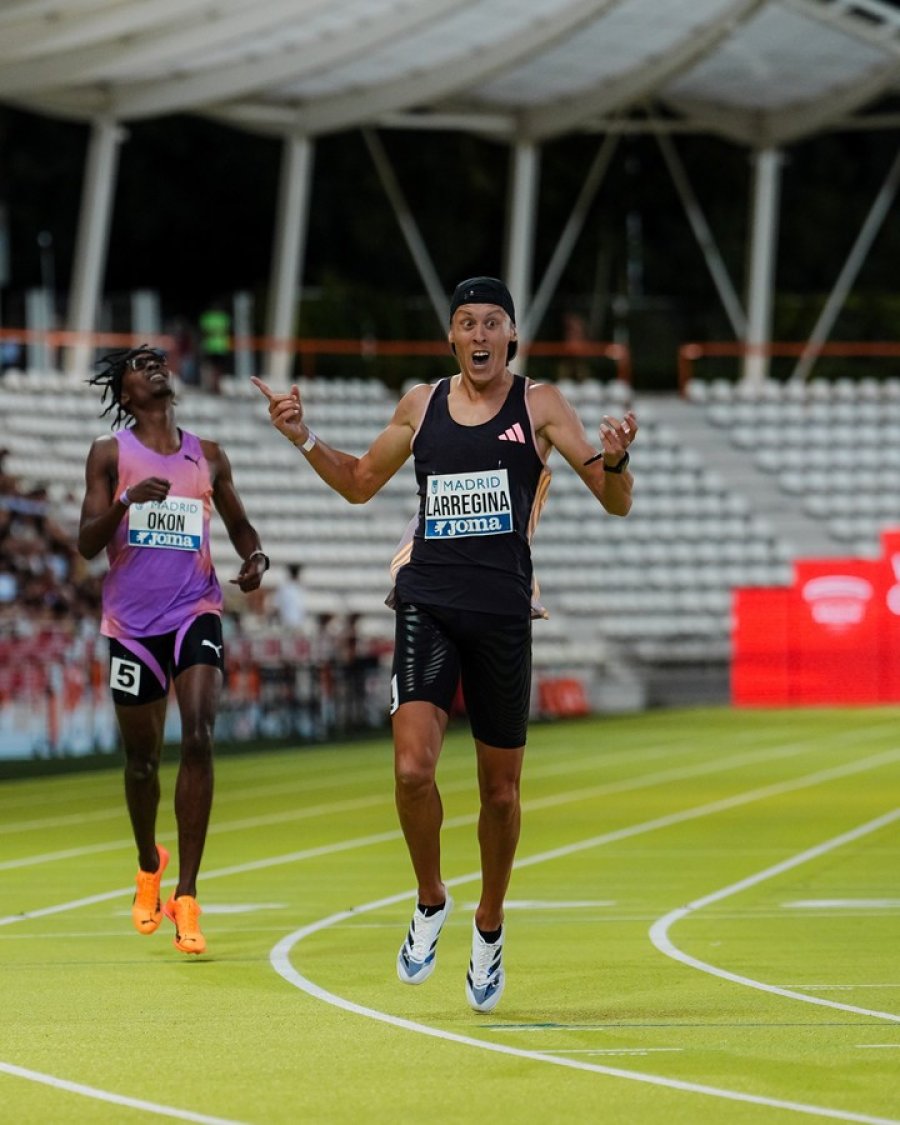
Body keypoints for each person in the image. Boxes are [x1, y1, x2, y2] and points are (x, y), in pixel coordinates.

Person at [252, 276, 637, 1011]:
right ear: (452, 338)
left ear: (512, 337)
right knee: (409, 769)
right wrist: (300, 434)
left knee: (500, 792)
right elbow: (361, 483)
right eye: (467, 323)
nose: (481, 334)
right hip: (427, 601)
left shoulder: (542, 405)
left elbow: (614, 501)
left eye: (494, 321)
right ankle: (432, 899)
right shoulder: (421, 405)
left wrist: (615, 461)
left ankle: (489, 920)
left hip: (500, 614)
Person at [78, 344, 269, 955]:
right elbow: (86, 543)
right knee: (142, 762)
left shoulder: (207, 455)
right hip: (133, 627)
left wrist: (254, 556)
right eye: (138, 364)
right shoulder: (110, 455)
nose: (152, 365)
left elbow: (239, 523)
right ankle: (147, 864)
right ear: (124, 391)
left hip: (196, 610)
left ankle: (187, 894)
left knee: (199, 738)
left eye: (157, 359)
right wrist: (127, 503)